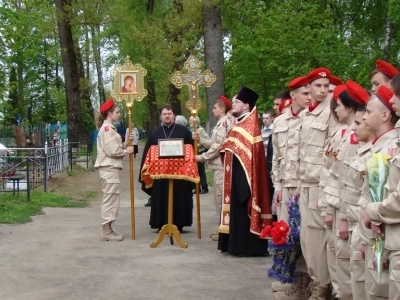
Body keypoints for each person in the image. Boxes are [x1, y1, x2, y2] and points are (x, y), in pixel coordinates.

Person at [324, 80, 369, 300]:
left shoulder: (353, 138)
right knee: (339, 262)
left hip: (347, 212)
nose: (335, 110)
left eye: (338, 105)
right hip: (336, 205)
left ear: (349, 108)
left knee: (347, 266)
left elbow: (348, 183)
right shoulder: (344, 133)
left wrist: (342, 216)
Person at [218, 86, 272, 256]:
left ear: (247, 106)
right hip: (234, 174)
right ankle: (234, 244)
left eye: (237, 102)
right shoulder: (241, 123)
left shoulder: (249, 126)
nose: (233, 104)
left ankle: (246, 246)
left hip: (243, 178)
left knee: (241, 208)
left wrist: (243, 186)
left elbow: (248, 157)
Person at [295, 68, 334, 298]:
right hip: (306, 184)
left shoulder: (331, 112)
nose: (322, 90)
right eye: (317, 86)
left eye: (325, 86)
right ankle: (314, 281)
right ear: (308, 88)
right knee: (308, 240)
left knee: (320, 241)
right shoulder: (305, 115)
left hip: (321, 185)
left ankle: (322, 288)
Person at [271, 76, 311, 298]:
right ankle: (291, 279)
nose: (309, 97)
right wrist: (277, 187)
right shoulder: (280, 122)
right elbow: (277, 158)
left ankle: (305, 281)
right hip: (286, 185)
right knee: (286, 236)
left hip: (303, 187)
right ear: (293, 95)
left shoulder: (310, 119)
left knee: (304, 237)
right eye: (304, 93)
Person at [359, 85, 399, 299]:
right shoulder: (377, 147)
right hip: (374, 233)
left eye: (368, 111)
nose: (364, 117)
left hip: (387, 234)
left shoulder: (392, 148)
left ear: (385, 115)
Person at [139, 104, 194, 232]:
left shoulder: (184, 131)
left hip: (180, 174)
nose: (167, 116)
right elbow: (148, 155)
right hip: (160, 176)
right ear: (161, 117)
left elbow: (191, 151)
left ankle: (179, 224)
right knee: (160, 197)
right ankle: (161, 223)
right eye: (164, 114)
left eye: (169, 114)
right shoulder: (155, 134)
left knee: (179, 197)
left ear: (174, 115)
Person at [341, 105, 375, 300]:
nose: (353, 128)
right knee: (356, 277)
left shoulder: (380, 153)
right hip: (357, 222)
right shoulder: (362, 150)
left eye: (359, 122)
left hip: (368, 227)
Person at [192, 95, 232, 241]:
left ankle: (225, 231)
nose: (213, 110)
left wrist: (202, 157)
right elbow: (212, 143)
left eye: (215, 108)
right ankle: (222, 228)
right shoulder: (219, 124)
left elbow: (217, 147)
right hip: (218, 167)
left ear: (222, 109)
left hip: (222, 167)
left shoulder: (224, 124)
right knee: (218, 198)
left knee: (221, 199)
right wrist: (200, 139)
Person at [94, 99, 134, 241]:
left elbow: (115, 148)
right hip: (109, 168)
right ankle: (106, 231)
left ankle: (108, 229)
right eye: (117, 112)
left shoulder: (110, 129)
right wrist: (126, 151)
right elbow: (112, 151)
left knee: (112, 198)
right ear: (110, 113)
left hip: (110, 168)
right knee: (110, 199)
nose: (119, 114)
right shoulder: (106, 129)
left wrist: (125, 143)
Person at [189, 115, 210, 194]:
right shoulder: (192, 130)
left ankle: (204, 187)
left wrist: (198, 145)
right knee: (195, 170)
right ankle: (197, 187)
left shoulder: (200, 130)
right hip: (194, 152)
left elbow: (207, 139)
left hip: (200, 151)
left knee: (201, 170)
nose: (189, 122)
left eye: (190, 120)